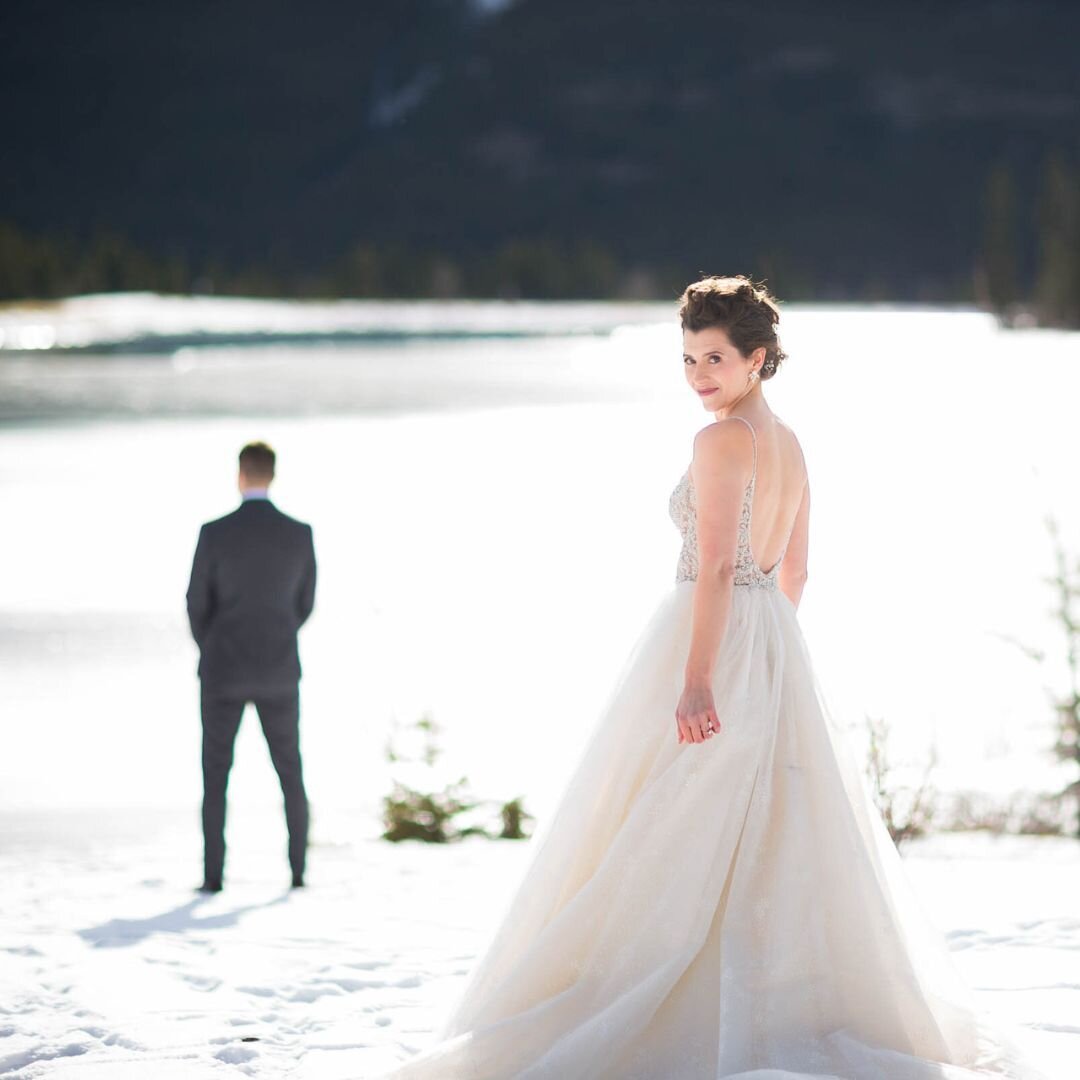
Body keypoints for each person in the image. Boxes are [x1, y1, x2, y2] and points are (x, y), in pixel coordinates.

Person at [380, 277, 1043, 1078]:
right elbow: (797, 568)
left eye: (716, 359)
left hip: (711, 635)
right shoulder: (790, 441)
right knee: (755, 831)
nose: (699, 375)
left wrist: (700, 678)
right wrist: (771, 657)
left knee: (659, 825)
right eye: (689, 358)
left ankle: (662, 1002)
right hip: (769, 641)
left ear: (758, 358)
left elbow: (721, 572)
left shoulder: (722, 441)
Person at [185, 441, 316, 894]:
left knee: (216, 775)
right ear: (272, 476)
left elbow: (195, 603)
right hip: (280, 668)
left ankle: (213, 877)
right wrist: (277, 637)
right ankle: (298, 873)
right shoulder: (299, 533)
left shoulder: (213, 532)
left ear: (240, 474)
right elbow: (305, 604)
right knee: (290, 771)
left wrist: (214, 644)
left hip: (222, 670)